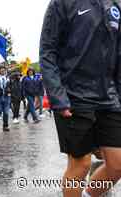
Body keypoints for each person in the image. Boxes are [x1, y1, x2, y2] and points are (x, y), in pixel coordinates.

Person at [40, 0, 121, 196]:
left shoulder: (115, 5)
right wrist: (58, 96)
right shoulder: (62, 3)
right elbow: (47, 51)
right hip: (73, 97)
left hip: (109, 99)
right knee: (81, 164)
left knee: (117, 165)